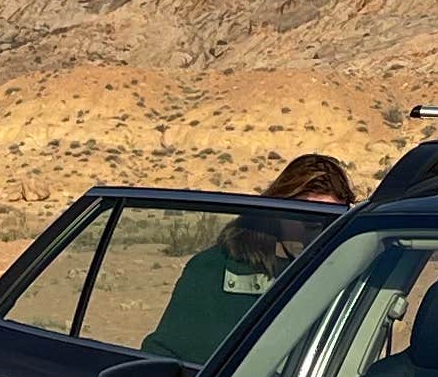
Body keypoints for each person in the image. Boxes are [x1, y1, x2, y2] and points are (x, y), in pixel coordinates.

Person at [138, 153, 355, 361]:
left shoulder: (356, 270)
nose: (315, 232)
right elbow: (168, 355)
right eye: (306, 219)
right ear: (277, 211)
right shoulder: (214, 270)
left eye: (330, 221)